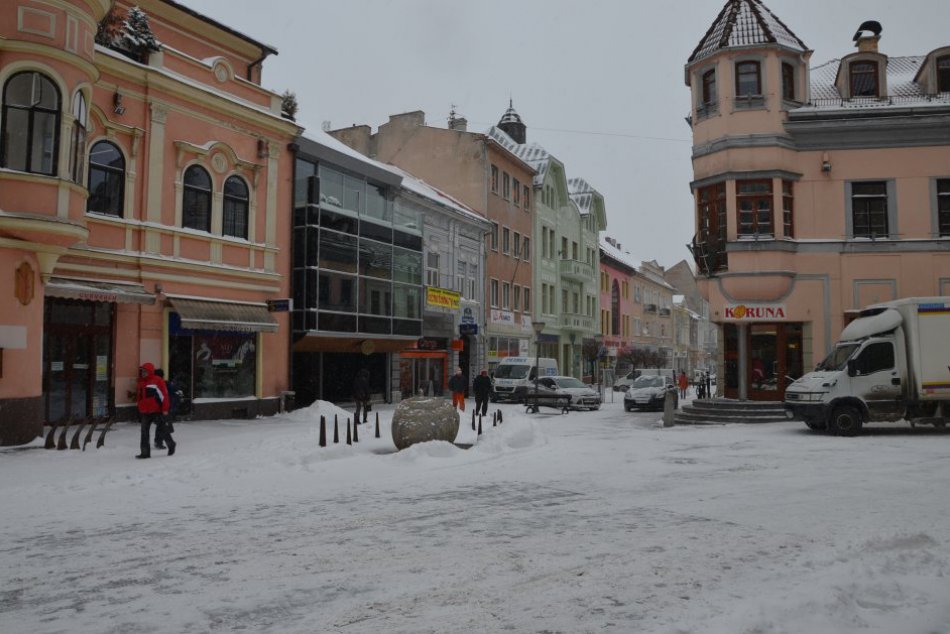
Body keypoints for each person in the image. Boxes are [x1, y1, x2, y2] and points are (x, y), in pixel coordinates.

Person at [136, 362, 173, 458]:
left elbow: (164, 396)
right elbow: (139, 397)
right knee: (144, 432)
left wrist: (165, 409)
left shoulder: (157, 381)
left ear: (150, 371)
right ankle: (145, 453)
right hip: (145, 411)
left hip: (156, 410)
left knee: (162, 430)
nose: (143, 373)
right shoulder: (141, 382)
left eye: (145, 371)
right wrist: (139, 407)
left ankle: (171, 444)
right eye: (142, 371)